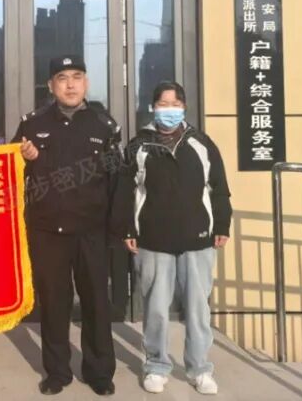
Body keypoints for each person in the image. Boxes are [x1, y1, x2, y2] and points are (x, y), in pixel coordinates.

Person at [112, 80, 232, 396]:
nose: (169, 110)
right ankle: (156, 365)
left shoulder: (202, 143)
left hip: (198, 238)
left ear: (184, 107)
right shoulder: (138, 146)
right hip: (153, 239)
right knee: (156, 309)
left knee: (197, 309)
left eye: (175, 104)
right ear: (153, 108)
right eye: (163, 104)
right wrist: (127, 228)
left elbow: (219, 187)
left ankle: (199, 369)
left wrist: (222, 224)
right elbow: (125, 190)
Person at [11, 55, 120, 396]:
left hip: (91, 231)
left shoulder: (104, 125)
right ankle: (57, 372)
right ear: (51, 86)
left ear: (86, 82)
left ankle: (99, 372)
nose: (70, 84)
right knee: (54, 304)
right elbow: (10, 174)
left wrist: (118, 230)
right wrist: (25, 159)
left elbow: (117, 181)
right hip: (48, 231)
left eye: (77, 76)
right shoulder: (33, 124)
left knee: (96, 303)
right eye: (62, 78)